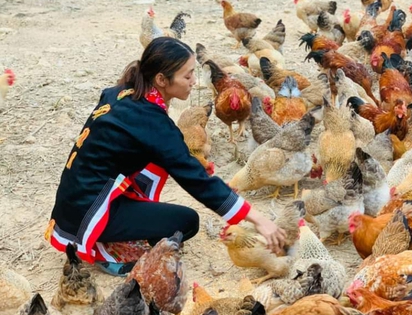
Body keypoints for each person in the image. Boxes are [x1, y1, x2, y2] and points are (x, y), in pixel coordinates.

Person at [45, 37, 287, 277]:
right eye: (187, 75)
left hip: (74, 201)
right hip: (90, 211)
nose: (193, 82)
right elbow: (196, 179)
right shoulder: (152, 122)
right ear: (161, 79)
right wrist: (257, 218)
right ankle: (107, 249)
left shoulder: (121, 93)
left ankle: (113, 231)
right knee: (187, 222)